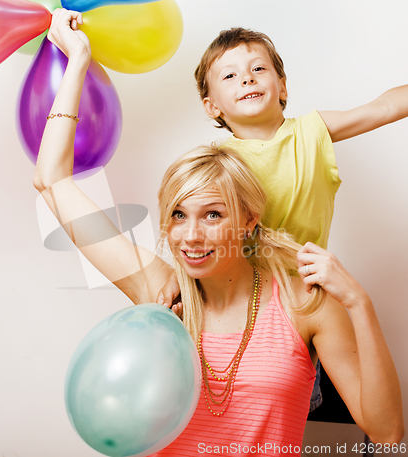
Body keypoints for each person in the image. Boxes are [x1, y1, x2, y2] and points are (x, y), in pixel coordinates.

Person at [33, 9, 404, 455]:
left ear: (250, 219)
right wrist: (78, 59)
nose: (190, 235)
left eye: (212, 215)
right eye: (176, 215)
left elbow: (387, 436)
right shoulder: (164, 290)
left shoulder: (308, 304)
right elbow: (53, 181)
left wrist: (359, 302)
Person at [159, 27, 408, 412]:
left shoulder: (313, 132)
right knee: (220, 406)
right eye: (230, 75)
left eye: (258, 68)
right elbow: (192, 228)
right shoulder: (218, 161)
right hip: (234, 305)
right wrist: (182, 271)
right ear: (212, 107)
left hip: (298, 312)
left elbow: (384, 107)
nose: (247, 78)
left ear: (283, 87)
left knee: (276, 409)